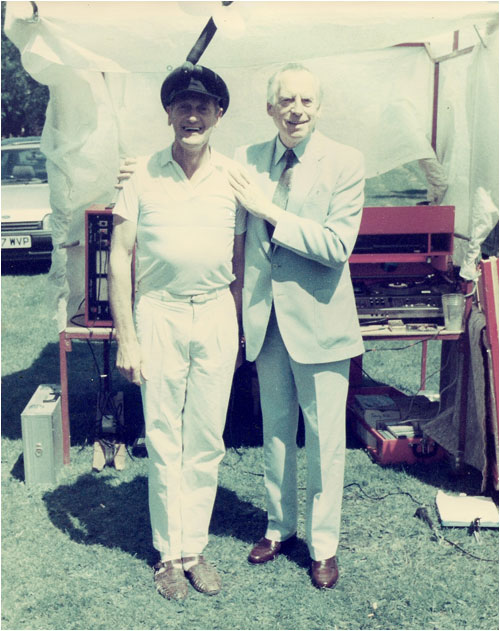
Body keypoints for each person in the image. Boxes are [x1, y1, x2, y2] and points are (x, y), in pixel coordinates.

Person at [109, 62, 245, 601]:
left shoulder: (233, 177)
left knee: (207, 439)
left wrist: (234, 328)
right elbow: (120, 258)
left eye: (203, 106)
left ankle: (195, 548)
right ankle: (168, 555)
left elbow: (239, 260)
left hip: (215, 311)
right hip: (160, 311)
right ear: (168, 113)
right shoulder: (141, 174)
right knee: (165, 437)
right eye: (182, 106)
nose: (193, 115)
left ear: (219, 114)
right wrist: (128, 336)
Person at [229, 63, 365, 589]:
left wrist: (269, 210)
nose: (296, 110)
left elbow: (336, 246)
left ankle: (323, 545)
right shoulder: (246, 160)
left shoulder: (346, 162)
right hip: (267, 321)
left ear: (320, 108)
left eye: (306, 101)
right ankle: (278, 526)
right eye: (286, 101)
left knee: (326, 441)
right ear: (269, 109)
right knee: (276, 432)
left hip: (322, 323)